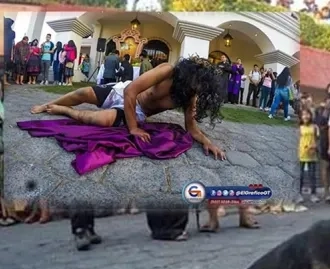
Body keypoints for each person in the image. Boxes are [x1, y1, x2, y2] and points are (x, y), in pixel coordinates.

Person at [27, 57, 254, 247]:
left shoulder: (188, 95)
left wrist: (207, 141)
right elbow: (130, 91)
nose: (199, 89)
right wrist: (133, 128)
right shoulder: (167, 70)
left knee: (100, 121)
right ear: (191, 73)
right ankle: (50, 103)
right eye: (199, 83)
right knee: (82, 94)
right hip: (122, 94)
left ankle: (61, 110)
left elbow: (191, 127)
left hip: (136, 112)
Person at [298, 107, 319, 202]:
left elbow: (317, 139)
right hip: (302, 153)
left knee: (312, 175)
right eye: (303, 115)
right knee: (300, 175)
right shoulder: (300, 127)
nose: (305, 116)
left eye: (307, 114)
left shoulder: (314, 127)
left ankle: (313, 194)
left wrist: (314, 146)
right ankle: (299, 194)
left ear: (310, 116)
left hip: (312, 153)